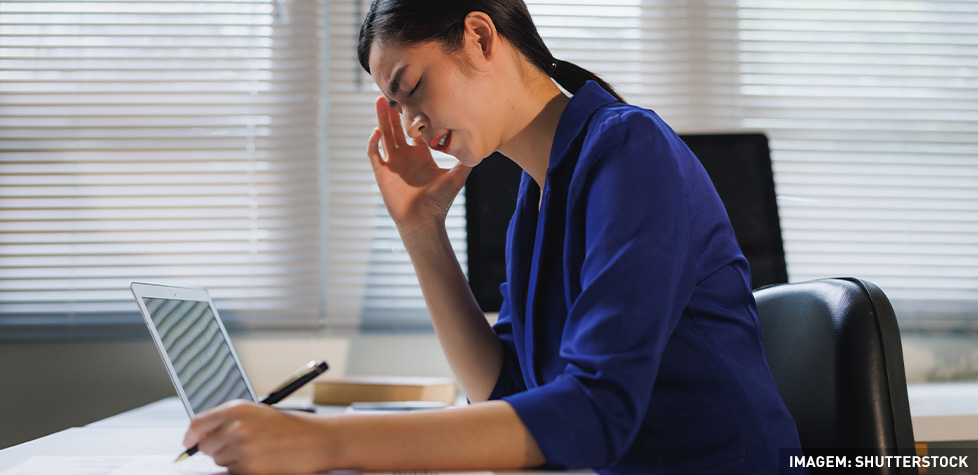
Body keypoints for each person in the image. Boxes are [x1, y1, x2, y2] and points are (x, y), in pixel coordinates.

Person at [182, 1, 806, 473]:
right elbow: (504, 391)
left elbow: (598, 412)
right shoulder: (535, 202)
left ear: (480, 37)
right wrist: (421, 230)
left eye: (411, 88)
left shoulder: (628, 148)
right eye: (396, 108)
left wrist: (326, 441)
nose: (412, 124)